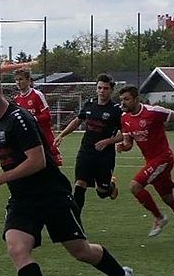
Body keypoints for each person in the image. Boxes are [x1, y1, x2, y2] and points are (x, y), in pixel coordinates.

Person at [0, 70, 138, 276]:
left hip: (51, 195)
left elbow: (38, 161)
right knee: (16, 247)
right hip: (23, 199)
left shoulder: (18, 119)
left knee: (81, 251)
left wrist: (2, 178)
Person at [116, 85, 174, 241]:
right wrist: (123, 146)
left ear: (136, 99)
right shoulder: (125, 118)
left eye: (127, 99)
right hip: (152, 161)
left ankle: (159, 218)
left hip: (163, 158)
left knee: (135, 186)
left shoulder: (153, 112)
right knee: (168, 198)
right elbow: (129, 143)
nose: (123, 103)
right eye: (121, 99)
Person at [52, 73, 124, 215]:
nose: (102, 91)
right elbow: (78, 120)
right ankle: (76, 220)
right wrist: (62, 134)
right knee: (80, 184)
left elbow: (125, 134)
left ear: (111, 90)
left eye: (105, 88)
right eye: (99, 88)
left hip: (105, 156)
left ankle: (110, 185)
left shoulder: (116, 110)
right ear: (96, 89)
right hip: (86, 151)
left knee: (102, 192)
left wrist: (108, 141)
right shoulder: (90, 104)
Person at [13, 68, 63, 166]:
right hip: (30, 138)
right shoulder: (16, 99)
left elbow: (47, 116)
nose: (18, 82)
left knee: (54, 163)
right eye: (16, 80)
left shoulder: (37, 95)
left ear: (28, 80)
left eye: (21, 79)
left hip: (44, 135)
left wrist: (32, 119)